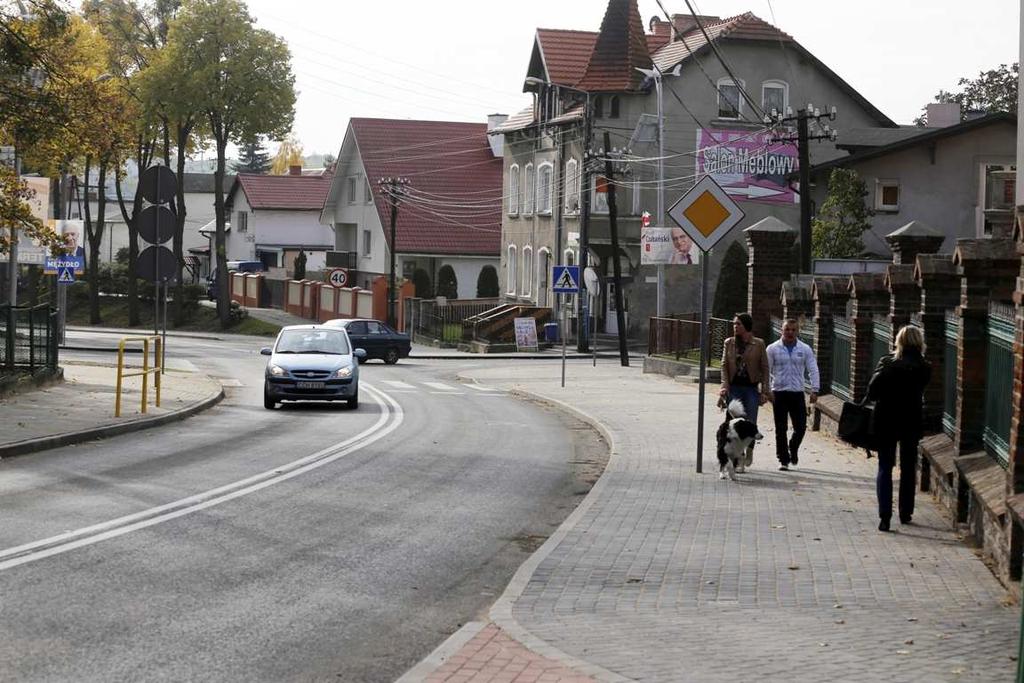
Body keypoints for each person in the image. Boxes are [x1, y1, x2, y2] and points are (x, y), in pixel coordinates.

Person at [866, 325, 931, 532]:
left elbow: (873, 391)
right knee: (908, 467)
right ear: (919, 342)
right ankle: (905, 511)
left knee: (885, 466)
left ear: (899, 340)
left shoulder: (887, 363)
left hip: (886, 419)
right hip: (911, 420)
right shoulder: (924, 367)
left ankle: (885, 516)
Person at [766, 318, 820, 471]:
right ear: (781, 331)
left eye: (793, 330)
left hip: (797, 393)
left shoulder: (805, 349)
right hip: (779, 392)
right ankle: (783, 459)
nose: (790, 332)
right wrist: (767, 390)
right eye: (787, 329)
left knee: (801, 427)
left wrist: (815, 389)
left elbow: (813, 369)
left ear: (797, 331)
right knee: (780, 428)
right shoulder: (772, 349)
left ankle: (793, 447)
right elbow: (766, 371)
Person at [719, 312, 770, 470]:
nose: (735, 327)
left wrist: (764, 391)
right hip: (734, 388)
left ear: (746, 326)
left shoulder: (758, 344)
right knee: (735, 425)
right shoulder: (729, 343)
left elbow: (765, 368)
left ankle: (749, 450)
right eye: (734, 324)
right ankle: (738, 460)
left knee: (751, 422)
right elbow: (724, 365)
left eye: (738, 324)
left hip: (751, 388)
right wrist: (724, 386)